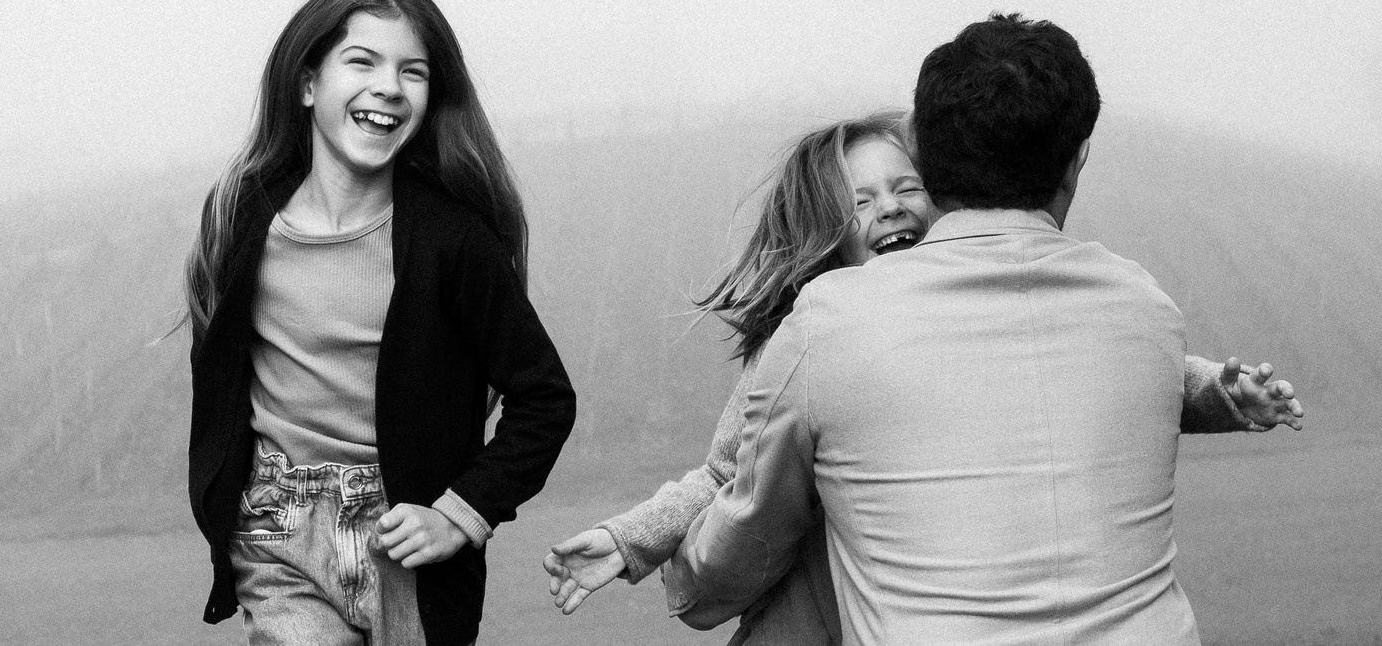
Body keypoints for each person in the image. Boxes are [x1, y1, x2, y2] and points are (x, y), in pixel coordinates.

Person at [540, 113, 1305, 641]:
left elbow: (1095, 363)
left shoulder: (967, 317)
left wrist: (1216, 392)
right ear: (825, 231)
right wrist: (628, 540)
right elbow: (721, 473)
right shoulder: (810, 340)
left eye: (906, 188)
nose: (890, 207)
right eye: (861, 199)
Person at [657, 14, 1274, 643]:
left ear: (922, 152)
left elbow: (743, 535)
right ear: (1077, 158)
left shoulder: (828, 323)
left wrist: (686, 581)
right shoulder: (1146, 307)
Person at [186, 0, 576, 646]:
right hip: (281, 535)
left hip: (409, 542)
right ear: (308, 84)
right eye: (362, 61)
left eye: (412, 71)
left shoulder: (453, 241)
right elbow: (219, 366)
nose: (389, 85)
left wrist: (460, 514)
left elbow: (545, 397)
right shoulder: (243, 220)